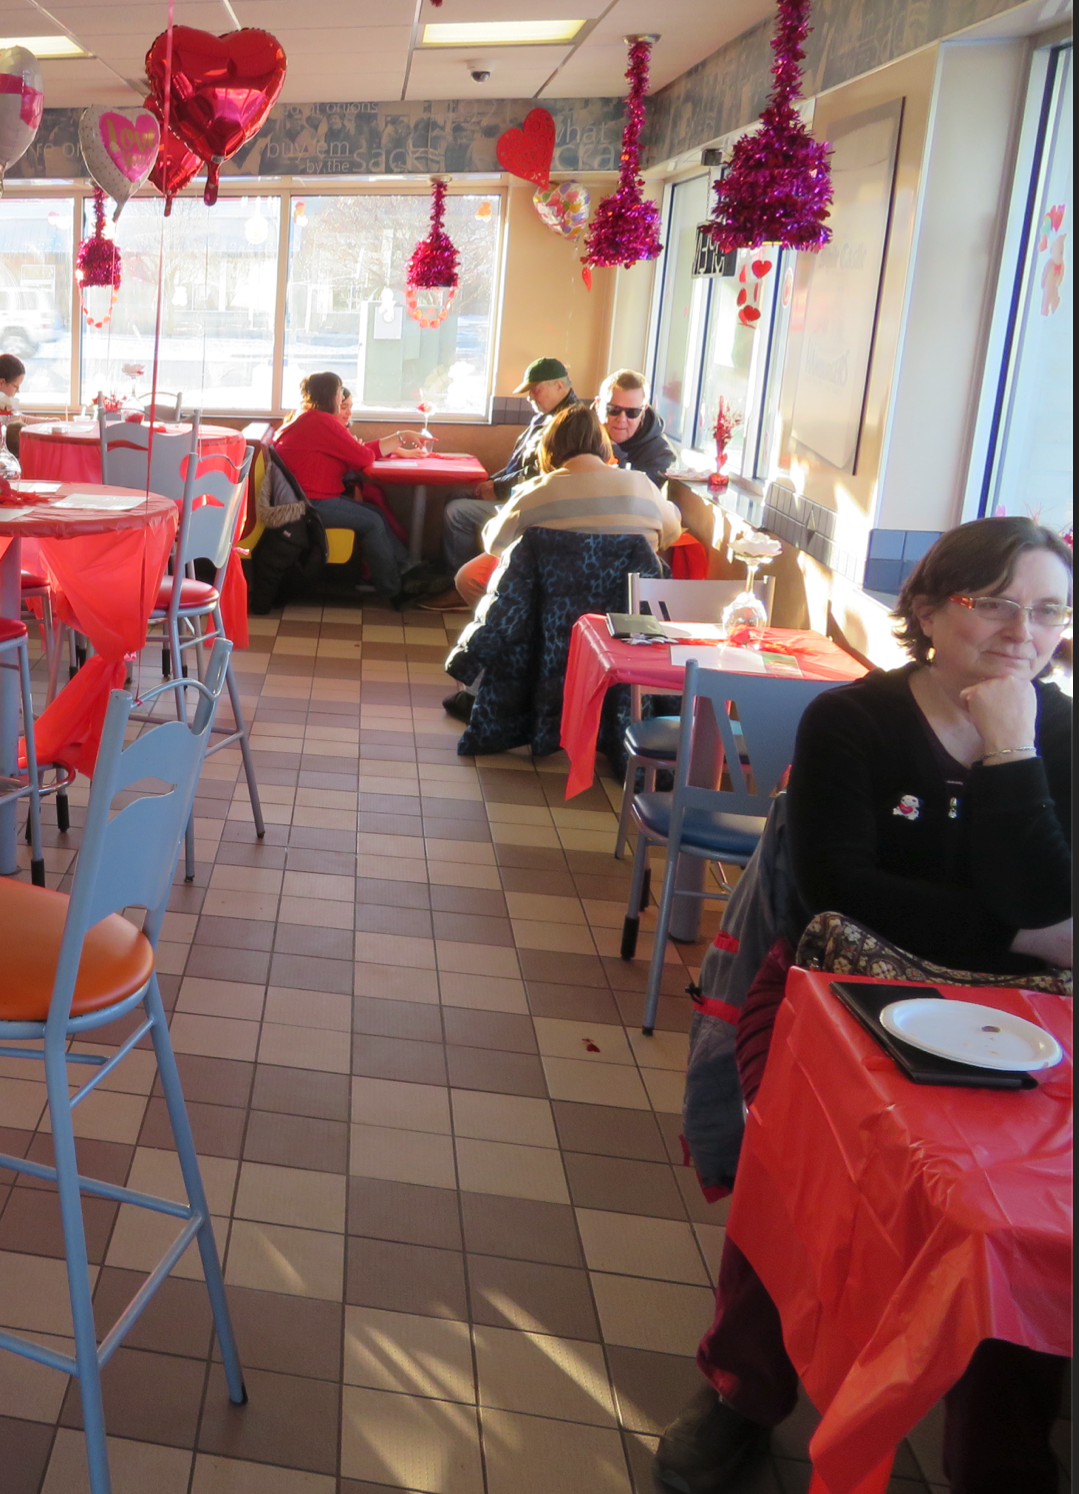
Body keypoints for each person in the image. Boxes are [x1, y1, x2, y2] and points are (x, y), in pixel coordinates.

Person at [654, 517, 1071, 1494]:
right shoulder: (852, 721)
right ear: (928, 607)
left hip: (1022, 1023)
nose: (1025, 629)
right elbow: (844, 894)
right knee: (803, 1188)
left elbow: (1048, 894)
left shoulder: (1059, 733)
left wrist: (1011, 752)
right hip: (831, 995)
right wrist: (1016, 936)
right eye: (996, 602)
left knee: (1015, 1225)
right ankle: (741, 1393)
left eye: (1048, 609)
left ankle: (1003, 1458)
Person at [452, 404, 680, 605]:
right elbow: (671, 534)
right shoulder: (642, 484)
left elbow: (495, 544)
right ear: (603, 445)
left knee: (471, 577)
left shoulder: (534, 492)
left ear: (550, 447)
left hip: (551, 625)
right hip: (623, 628)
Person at [272, 373, 435, 610]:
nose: (342, 396)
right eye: (340, 391)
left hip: (308, 498)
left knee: (374, 513)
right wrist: (401, 437)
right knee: (373, 521)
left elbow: (356, 451)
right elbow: (362, 457)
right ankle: (395, 590)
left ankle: (405, 568)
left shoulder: (307, 419)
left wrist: (400, 440)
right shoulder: (321, 421)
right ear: (332, 394)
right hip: (311, 504)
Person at [438, 355, 585, 578]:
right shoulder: (545, 418)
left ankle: (460, 582)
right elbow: (518, 463)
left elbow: (543, 472)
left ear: (559, 385)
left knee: (457, 512)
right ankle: (457, 572)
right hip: (517, 493)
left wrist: (497, 488)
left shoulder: (570, 422)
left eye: (535, 390)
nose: (529, 397)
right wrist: (492, 482)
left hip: (535, 506)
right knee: (454, 496)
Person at [597, 369, 675, 486]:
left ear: (643, 411)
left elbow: (637, 499)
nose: (622, 419)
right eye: (614, 409)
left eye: (632, 412)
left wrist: (613, 453)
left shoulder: (660, 454)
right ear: (598, 405)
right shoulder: (580, 435)